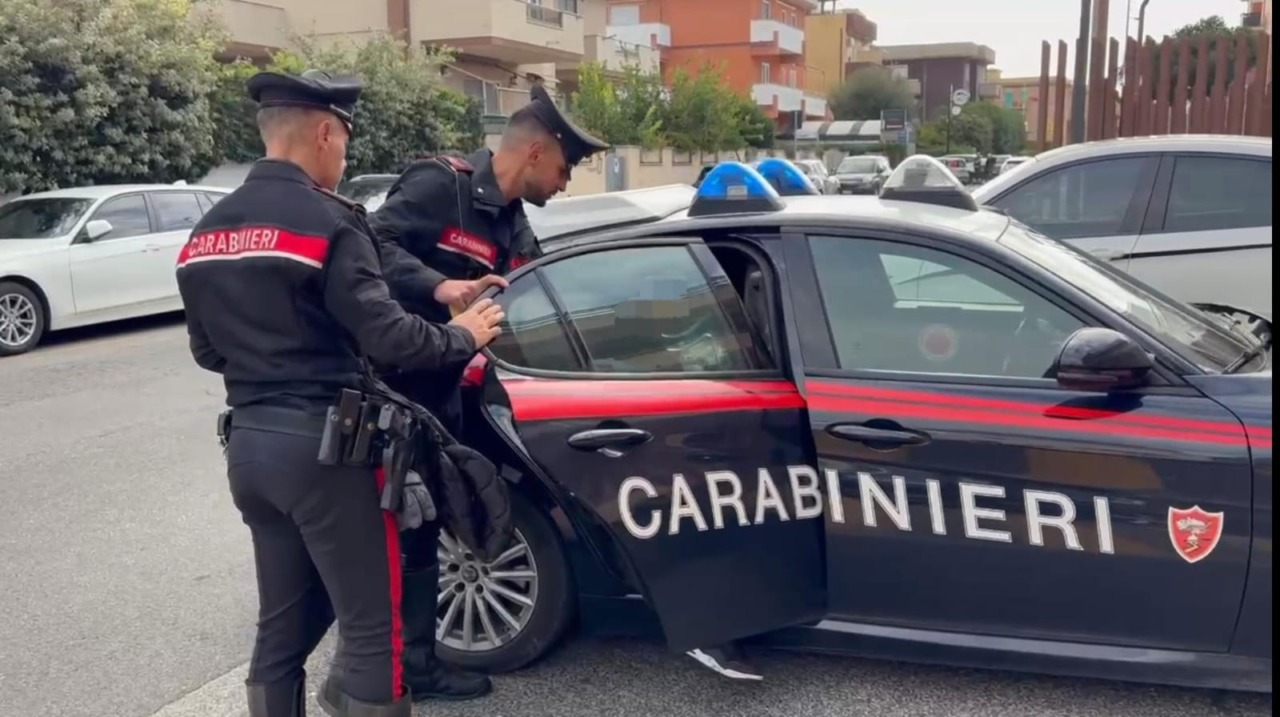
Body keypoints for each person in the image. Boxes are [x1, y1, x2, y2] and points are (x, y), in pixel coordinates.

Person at [175, 68, 505, 717]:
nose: (344, 157)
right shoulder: (328, 219)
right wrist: (461, 334)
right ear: (325, 132)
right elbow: (389, 338)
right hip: (328, 453)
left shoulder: (205, 232)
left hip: (249, 448)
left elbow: (207, 350)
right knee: (371, 631)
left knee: (280, 626)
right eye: (345, 143)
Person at [360, 82, 611, 701]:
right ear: (534, 152)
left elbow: (536, 292)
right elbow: (369, 246)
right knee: (393, 530)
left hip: (447, 392)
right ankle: (381, 667)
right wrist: (440, 286)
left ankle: (416, 665)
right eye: (563, 166)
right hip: (391, 387)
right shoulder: (438, 184)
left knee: (428, 526)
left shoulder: (512, 219)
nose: (565, 182)